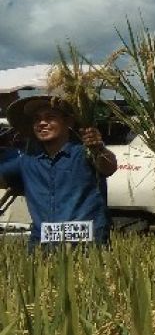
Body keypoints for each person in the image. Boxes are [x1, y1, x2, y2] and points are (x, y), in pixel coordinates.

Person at [0, 95, 118, 248]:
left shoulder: (85, 153)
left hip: (86, 246)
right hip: (42, 247)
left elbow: (109, 167)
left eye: (50, 117)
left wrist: (99, 149)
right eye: (37, 119)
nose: (42, 123)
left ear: (68, 122)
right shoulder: (26, 161)